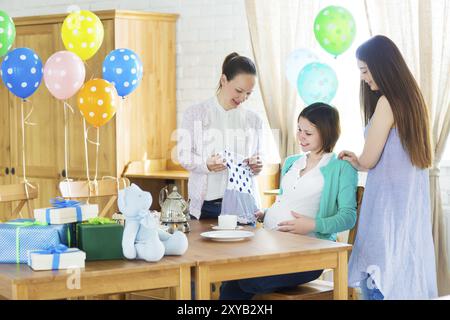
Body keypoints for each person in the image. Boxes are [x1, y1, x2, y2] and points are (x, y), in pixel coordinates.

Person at [219, 103, 358, 300]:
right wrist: (266, 213)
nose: (301, 136)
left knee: (246, 281)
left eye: (308, 133)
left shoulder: (341, 168)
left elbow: (348, 217)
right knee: (231, 275)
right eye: (299, 129)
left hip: (309, 254)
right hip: (272, 245)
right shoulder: (292, 162)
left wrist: (311, 225)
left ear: (327, 133)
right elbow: (287, 200)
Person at [339, 35, 438, 300]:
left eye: (364, 70)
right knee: (402, 272)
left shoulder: (387, 103)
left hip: (385, 207)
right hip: (407, 207)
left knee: (379, 276)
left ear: (381, 66)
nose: (363, 77)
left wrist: (356, 160)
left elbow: (369, 159)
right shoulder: (414, 101)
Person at [177, 53, 264, 220]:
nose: (243, 98)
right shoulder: (196, 114)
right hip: (206, 207)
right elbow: (184, 155)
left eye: (248, 93)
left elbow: (260, 155)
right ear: (224, 80)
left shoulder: (254, 120)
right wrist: (205, 165)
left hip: (242, 206)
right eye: (239, 91)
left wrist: (258, 164)